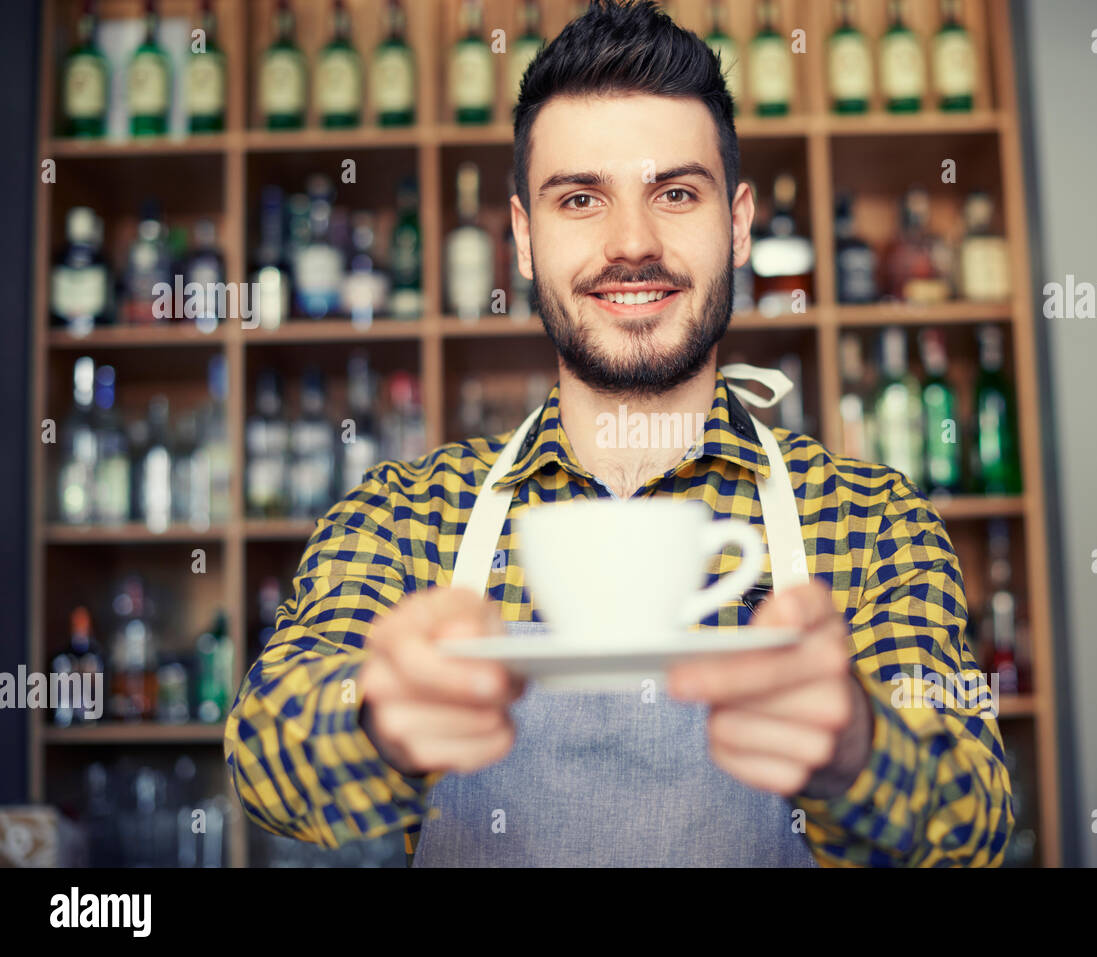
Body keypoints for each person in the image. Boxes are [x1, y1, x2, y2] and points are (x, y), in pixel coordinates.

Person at [225, 0, 1014, 867]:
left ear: (740, 223)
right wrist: (373, 719)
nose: (631, 243)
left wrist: (859, 751)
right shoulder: (405, 517)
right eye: (580, 198)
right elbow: (263, 756)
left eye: (676, 193)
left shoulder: (873, 524)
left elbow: (972, 823)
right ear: (523, 237)